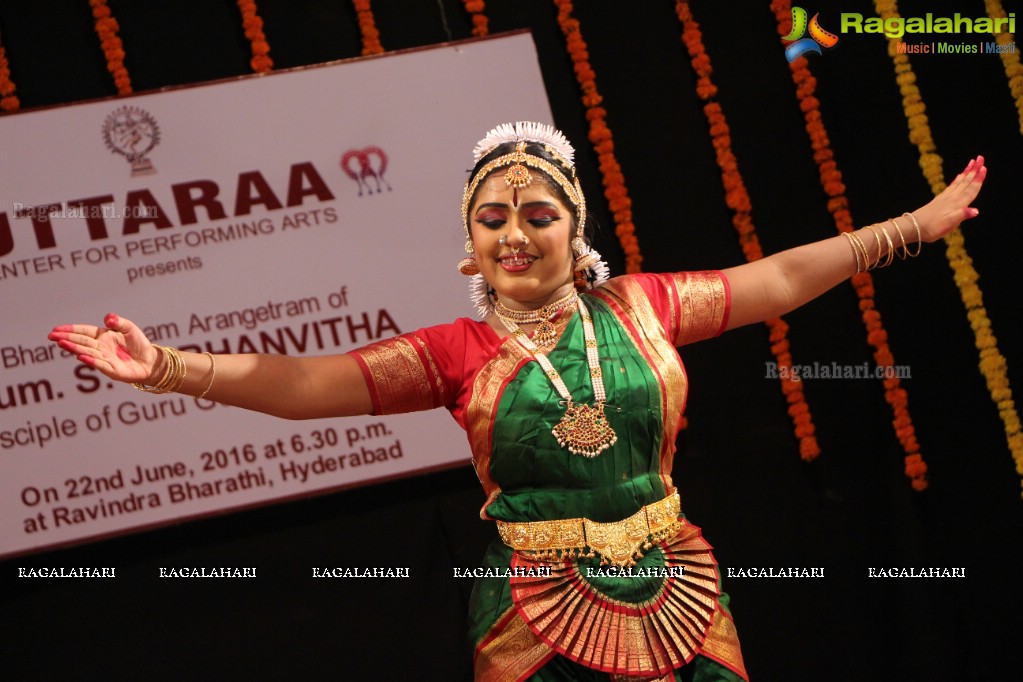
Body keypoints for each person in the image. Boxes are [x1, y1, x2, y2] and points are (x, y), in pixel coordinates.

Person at [48, 122, 986, 681]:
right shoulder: (454, 354)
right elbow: (302, 386)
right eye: (491, 220)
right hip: (533, 604)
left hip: (678, 581)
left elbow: (776, 279)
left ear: (577, 234)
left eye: (538, 217)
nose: (513, 236)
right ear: (467, 246)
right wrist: (166, 365)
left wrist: (913, 227)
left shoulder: (644, 307)